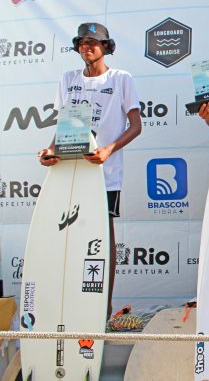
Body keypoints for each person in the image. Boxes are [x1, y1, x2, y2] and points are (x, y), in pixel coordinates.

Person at [38, 22, 142, 319]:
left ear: (106, 47)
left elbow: (136, 126)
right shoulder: (68, 79)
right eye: (82, 42)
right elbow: (64, 127)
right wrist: (50, 150)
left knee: (102, 243)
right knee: (68, 239)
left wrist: (109, 149)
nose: (88, 46)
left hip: (104, 175)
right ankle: (69, 309)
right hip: (69, 173)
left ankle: (102, 311)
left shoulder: (121, 78)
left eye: (94, 42)